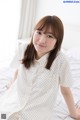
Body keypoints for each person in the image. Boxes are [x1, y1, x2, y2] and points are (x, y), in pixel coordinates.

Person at [0, 15, 80, 120]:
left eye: (50, 36)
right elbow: (18, 70)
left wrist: (74, 114)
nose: (42, 40)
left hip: (36, 111)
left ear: (57, 41)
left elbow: (65, 90)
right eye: (39, 32)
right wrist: (12, 85)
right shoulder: (24, 48)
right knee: (3, 116)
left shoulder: (61, 60)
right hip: (13, 102)